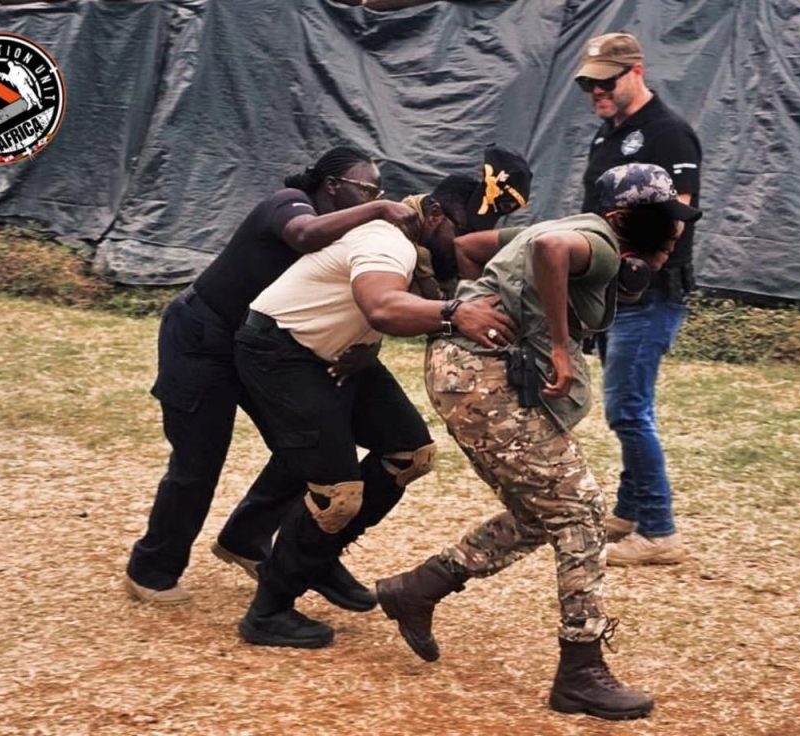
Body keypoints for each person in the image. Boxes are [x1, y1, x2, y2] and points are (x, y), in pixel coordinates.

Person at [375, 163, 702, 721]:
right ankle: (580, 670)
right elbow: (550, 249)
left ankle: (419, 587)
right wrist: (551, 342)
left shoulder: (580, 229)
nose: (674, 234)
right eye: (663, 223)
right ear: (625, 220)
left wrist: (483, 303)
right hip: (479, 379)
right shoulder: (597, 243)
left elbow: (473, 247)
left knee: (540, 512)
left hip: (463, 373)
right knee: (580, 512)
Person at [212, 144, 531, 591]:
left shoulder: (421, 251)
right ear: (435, 215)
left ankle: (312, 557)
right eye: (462, 233)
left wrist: (372, 342)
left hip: (339, 349)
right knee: (336, 491)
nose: (464, 249)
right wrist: (454, 312)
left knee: (408, 454)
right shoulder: (389, 239)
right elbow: (382, 304)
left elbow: (380, 306)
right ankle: (273, 601)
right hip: (281, 350)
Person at [125, 146, 419, 606]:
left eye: (379, 193)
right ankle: (152, 569)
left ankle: (247, 540)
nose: (375, 199)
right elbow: (302, 235)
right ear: (330, 186)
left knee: (305, 446)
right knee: (198, 462)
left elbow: (358, 297)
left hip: (262, 346)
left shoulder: (349, 239)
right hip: (203, 339)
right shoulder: (288, 205)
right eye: (365, 189)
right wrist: (380, 209)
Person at [576, 32, 702, 565]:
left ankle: (659, 530)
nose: (597, 91)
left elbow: (676, 215)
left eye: (607, 81)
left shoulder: (669, 133)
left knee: (628, 409)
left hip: (648, 294)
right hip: (611, 293)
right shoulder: (608, 135)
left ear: (637, 71)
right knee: (627, 405)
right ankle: (629, 511)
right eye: (589, 84)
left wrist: (639, 272)